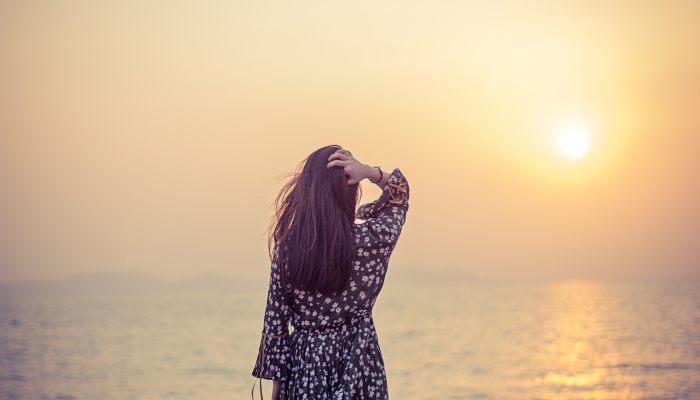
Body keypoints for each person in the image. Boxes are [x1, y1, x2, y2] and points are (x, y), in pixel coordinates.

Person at [251, 145, 410, 399]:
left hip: (304, 369)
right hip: (359, 368)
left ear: (306, 191)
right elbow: (399, 196)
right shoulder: (370, 241)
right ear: (349, 191)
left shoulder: (288, 250)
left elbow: (276, 325)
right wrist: (371, 172)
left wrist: (277, 392)